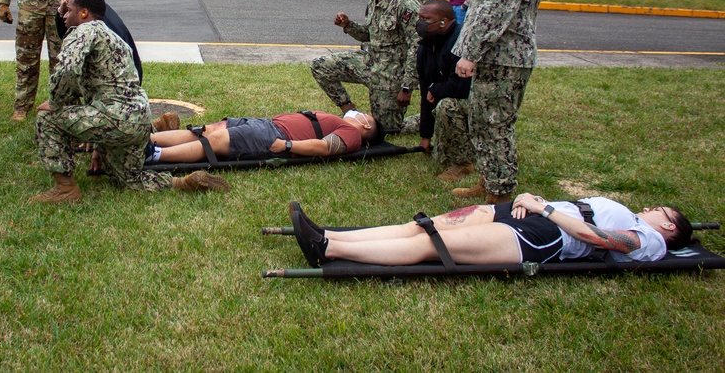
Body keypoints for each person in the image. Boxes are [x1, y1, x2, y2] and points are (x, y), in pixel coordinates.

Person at [31, 0, 229, 204]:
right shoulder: (114, 39)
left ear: (84, 13)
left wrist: (55, 101)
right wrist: (99, 144)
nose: (64, 16)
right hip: (138, 120)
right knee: (126, 179)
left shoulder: (82, 31)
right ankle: (183, 182)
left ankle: (65, 188)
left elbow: (68, 70)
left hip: (114, 119)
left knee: (47, 119)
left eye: (68, 10)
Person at [452, 0, 544, 203]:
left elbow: (498, 7)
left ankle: (500, 195)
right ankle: (490, 180)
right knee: (484, 119)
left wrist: (471, 52)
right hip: (497, 51)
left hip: (505, 53)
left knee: (495, 124)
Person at [289, 195, 692, 268]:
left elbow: (598, 239)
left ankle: (329, 249)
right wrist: (532, 200)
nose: (648, 210)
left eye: (658, 210)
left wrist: (545, 208)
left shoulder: (652, 241)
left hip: (545, 237)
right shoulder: (641, 222)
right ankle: (328, 233)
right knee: (422, 226)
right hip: (530, 213)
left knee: (433, 245)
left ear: (669, 226)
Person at [310, 0, 420, 133]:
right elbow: (368, 35)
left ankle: (430, 117)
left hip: (392, 73)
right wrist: (348, 25)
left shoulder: (405, 3)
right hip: (371, 61)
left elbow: (417, 46)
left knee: (388, 129)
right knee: (320, 66)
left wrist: (407, 87)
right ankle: (350, 111)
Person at [147, 110, 382, 163]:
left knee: (216, 141)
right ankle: (147, 140)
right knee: (206, 130)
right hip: (267, 124)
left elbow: (324, 147)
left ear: (367, 125)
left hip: (274, 135)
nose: (358, 113)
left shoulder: (353, 135)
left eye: (364, 115)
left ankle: (155, 155)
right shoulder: (345, 123)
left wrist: (288, 145)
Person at [413, 0, 473, 181]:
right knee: (437, 154)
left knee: (447, 106)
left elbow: (461, 88)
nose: (420, 23)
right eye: (419, 17)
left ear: (444, 22)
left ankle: (464, 163)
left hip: (472, 103)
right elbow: (425, 92)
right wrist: (425, 137)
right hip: (443, 97)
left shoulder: (461, 42)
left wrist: (435, 89)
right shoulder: (426, 44)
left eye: (426, 18)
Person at [57, 0, 143, 83]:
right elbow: (65, 34)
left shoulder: (96, 25)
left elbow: (70, 69)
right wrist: (62, 12)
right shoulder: (97, 10)